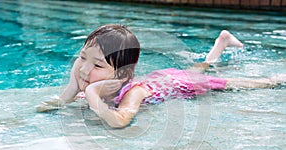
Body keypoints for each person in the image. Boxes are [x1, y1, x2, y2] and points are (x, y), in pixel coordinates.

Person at [36, 24, 285, 128]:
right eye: (82, 58)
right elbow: (58, 103)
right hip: (162, 78)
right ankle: (221, 44)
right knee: (199, 67)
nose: (83, 69)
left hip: (182, 84)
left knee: (254, 84)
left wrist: (90, 93)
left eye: (97, 65)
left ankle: (272, 72)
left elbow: (120, 120)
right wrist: (71, 87)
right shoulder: (92, 76)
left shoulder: (133, 92)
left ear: (122, 75)